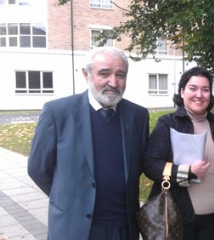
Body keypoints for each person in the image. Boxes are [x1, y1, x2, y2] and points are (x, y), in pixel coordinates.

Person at [27, 46, 150, 240]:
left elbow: (141, 164)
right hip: (74, 228)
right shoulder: (57, 112)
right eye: (104, 73)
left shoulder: (138, 116)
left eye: (120, 74)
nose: (113, 82)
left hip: (124, 228)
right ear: (86, 74)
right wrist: (69, 199)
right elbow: (38, 168)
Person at [142, 66, 214, 240]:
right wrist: (187, 172)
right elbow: (150, 165)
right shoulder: (168, 123)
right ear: (182, 91)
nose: (199, 94)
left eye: (205, 89)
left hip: (213, 219)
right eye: (193, 88)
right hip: (178, 218)